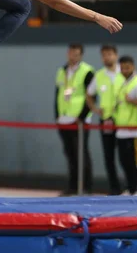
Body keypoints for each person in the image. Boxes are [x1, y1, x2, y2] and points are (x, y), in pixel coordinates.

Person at [55, 44, 94, 195]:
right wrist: (57, 115)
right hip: (64, 118)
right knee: (69, 154)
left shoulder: (87, 72)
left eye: (76, 54)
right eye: (71, 53)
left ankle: (86, 187)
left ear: (81, 55)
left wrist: (82, 117)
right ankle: (72, 186)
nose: (73, 56)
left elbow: (91, 96)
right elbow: (58, 94)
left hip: (79, 119)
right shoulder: (61, 71)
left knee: (81, 154)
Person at [86, 45, 121, 195]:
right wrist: (94, 108)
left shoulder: (124, 72)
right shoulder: (99, 75)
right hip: (107, 120)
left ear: (116, 55)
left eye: (109, 54)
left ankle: (134, 186)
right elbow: (89, 94)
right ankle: (114, 188)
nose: (107, 57)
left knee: (127, 156)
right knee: (109, 155)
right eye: (104, 55)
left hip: (125, 121)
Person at [114, 56, 137, 196]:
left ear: (133, 67)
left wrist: (132, 101)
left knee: (135, 162)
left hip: (135, 130)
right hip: (122, 129)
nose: (124, 70)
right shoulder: (123, 83)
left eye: (127, 67)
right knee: (124, 161)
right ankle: (131, 187)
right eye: (122, 68)